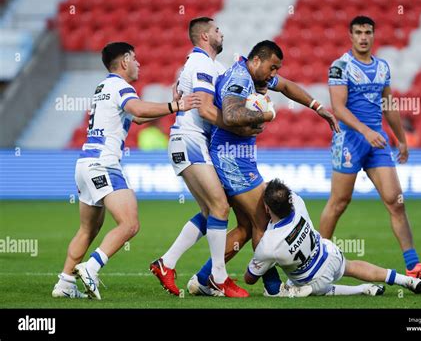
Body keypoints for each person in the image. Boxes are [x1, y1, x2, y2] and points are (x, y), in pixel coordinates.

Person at [189, 40, 340, 297]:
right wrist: (266, 115)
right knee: (263, 220)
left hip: (240, 157)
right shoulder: (239, 79)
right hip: (232, 159)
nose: (274, 74)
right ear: (256, 60)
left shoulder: (256, 78)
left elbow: (288, 86)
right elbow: (231, 116)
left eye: (277, 69)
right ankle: (271, 288)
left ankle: (204, 279)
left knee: (247, 228)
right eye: (272, 67)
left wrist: (318, 108)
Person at [52, 42, 201, 299]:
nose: (139, 64)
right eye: (135, 59)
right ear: (125, 61)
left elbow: (139, 117)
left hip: (85, 164)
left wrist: (170, 105)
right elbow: (138, 109)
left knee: (88, 229)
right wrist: (176, 106)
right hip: (104, 164)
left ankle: (64, 283)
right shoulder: (122, 87)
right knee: (130, 224)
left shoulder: (103, 87)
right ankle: (92, 267)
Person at [319, 16, 421, 279]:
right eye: (359, 32)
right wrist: (366, 131)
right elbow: (338, 109)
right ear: (350, 36)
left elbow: (389, 105)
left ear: (374, 35)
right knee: (339, 202)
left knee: (396, 202)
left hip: (377, 145)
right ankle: (314, 260)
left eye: (368, 32)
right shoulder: (340, 67)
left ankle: (414, 265)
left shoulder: (383, 67)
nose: (364, 37)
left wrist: (401, 139)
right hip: (350, 141)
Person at [149, 17, 260, 298]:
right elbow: (207, 111)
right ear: (204, 37)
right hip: (190, 139)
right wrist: (243, 125)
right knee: (221, 207)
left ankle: (167, 263)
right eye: (217, 30)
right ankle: (218, 278)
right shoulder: (199, 63)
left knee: (211, 211)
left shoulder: (214, 67)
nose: (222, 33)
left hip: (193, 141)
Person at [244, 179, 421, 297]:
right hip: (329, 254)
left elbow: (250, 279)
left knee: (304, 287)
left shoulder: (268, 244)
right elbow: (278, 190)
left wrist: (264, 261)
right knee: (352, 266)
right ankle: (406, 281)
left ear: (267, 209)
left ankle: (357, 289)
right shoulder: (298, 203)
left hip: (311, 281)